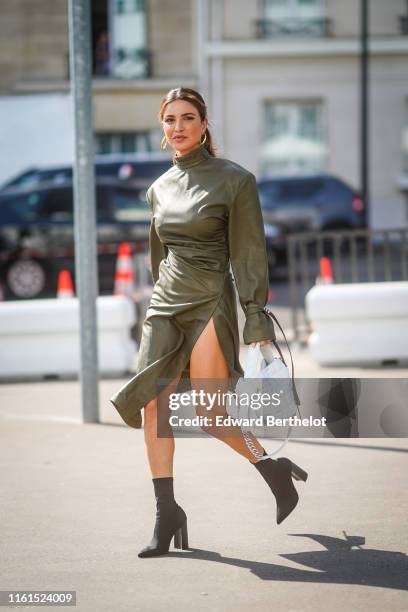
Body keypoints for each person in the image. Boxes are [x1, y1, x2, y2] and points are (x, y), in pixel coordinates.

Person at [110, 87, 308, 558]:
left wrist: (254, 318)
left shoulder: (235, 180)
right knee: (154, 412)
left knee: (211, 415)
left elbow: (248, 253)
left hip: (209, 302)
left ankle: (270, 468)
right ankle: (166, 513)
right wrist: (159, 305)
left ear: (204, 124)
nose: (177, 127)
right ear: (162, 128)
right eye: (169, 119)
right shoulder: (157, 188)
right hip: (164, 305)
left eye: (187, 117)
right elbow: (159, 258)